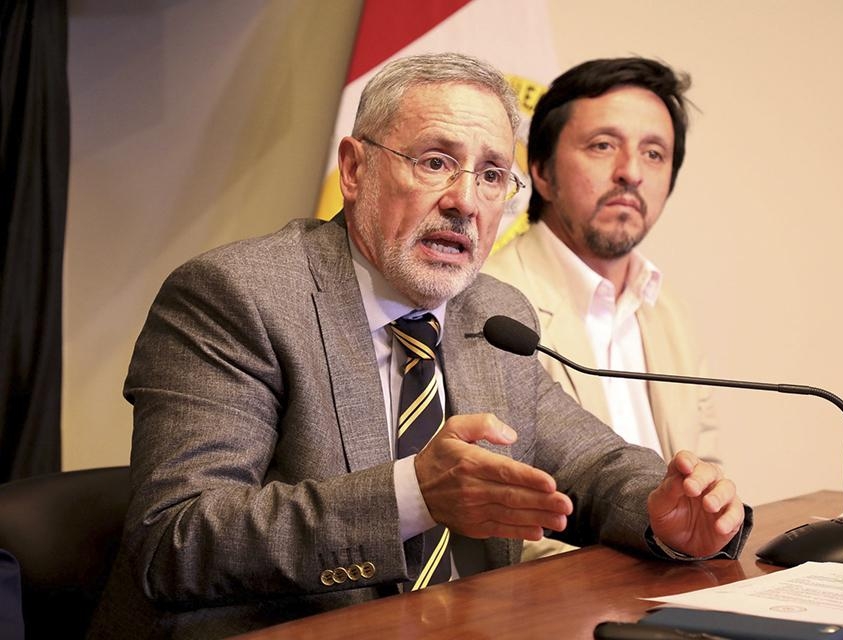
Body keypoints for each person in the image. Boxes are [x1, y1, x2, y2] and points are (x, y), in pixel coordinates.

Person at [89, 53, 750, 639]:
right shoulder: (239, 296)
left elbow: (593, 465)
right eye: (435, 162)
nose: (465, 201)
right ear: (355, 169)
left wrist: (663, 511)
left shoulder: (493, 312)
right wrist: (413, 494)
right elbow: (175, 540)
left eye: (492, 175)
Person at [483, 57, 718, 467]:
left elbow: (708, 468)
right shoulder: (489, 309)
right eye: (603, 146)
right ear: (541, 171)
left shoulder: (669, 314)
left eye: (654, 153)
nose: (631, 172)